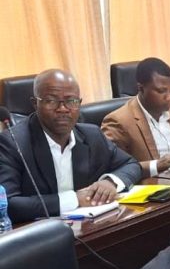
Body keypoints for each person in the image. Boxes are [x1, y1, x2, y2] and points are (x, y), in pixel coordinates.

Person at [0, 69, 140, 223]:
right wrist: (75, 199)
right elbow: (8, 204)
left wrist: (110, 182)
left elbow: (131, 164)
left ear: (79, 103)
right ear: (35, 104)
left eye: (71, 101)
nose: (63, 109)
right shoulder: (12, 143)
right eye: (51, 101)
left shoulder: (91, 135)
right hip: (40, 232)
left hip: (90, 227)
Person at [102, 57, 170, 179]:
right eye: (161, 91)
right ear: (141, 89)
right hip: (152, 183)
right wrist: (156, 165)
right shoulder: (118, 121)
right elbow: (114, 167)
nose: (169, 97)